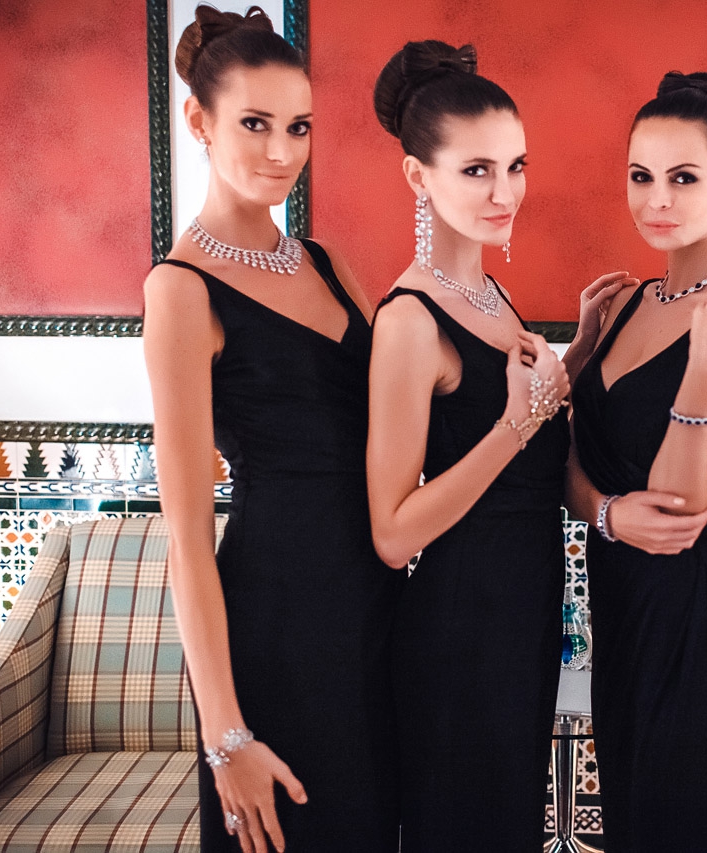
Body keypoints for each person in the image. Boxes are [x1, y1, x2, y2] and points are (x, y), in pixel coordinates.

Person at [144, 6, 402, 852]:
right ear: (199, 121)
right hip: (276, 626)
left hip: (376, 616)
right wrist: (227, 736)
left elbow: (406, 419)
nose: (282, 151)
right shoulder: (180, 290)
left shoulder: (329, 264)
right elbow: (186, 536)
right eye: (254, 124)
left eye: (299, 126)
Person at [367, 40, 630, 851]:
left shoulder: (490, 293)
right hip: (459, 630)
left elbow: (524, 428)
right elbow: (394, 532)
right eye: (477, 169)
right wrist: (515, 425)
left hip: (521, 616)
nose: (505, 191)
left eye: (515, 166)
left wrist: (579, 352)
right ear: (418, 176)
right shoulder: (410, 321)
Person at [567, 71, 707, 852]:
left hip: (691, 627)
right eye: (641, 176)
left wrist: (704, 365)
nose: (656, 200)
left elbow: (681, 507)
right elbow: (564, 459)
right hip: (620, 618)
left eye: (683, 178)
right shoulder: (625, 303)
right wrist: (605, 512)